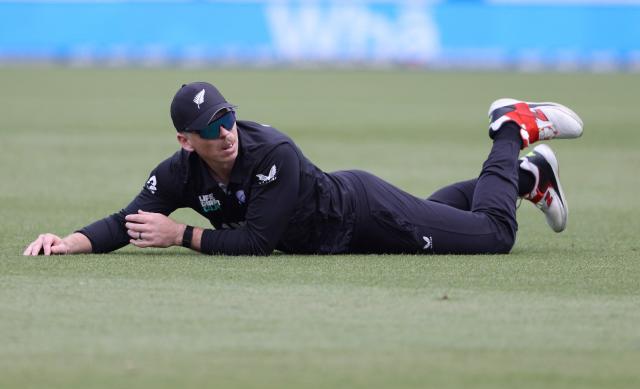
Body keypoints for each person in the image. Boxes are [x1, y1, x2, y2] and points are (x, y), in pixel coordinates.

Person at [23, 82, 583, 257]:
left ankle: (510, 127)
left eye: (228, 118)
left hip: (364, 214)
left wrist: (183, 235)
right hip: (350, 228)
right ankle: (529, 179)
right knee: (442, 214)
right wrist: (68, 242)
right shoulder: (180, 172)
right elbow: (129, 218)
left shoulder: (274, 154)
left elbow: (259, 240)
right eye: (211, 128)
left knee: (493, 235)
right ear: (184, 140)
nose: (226, 133)